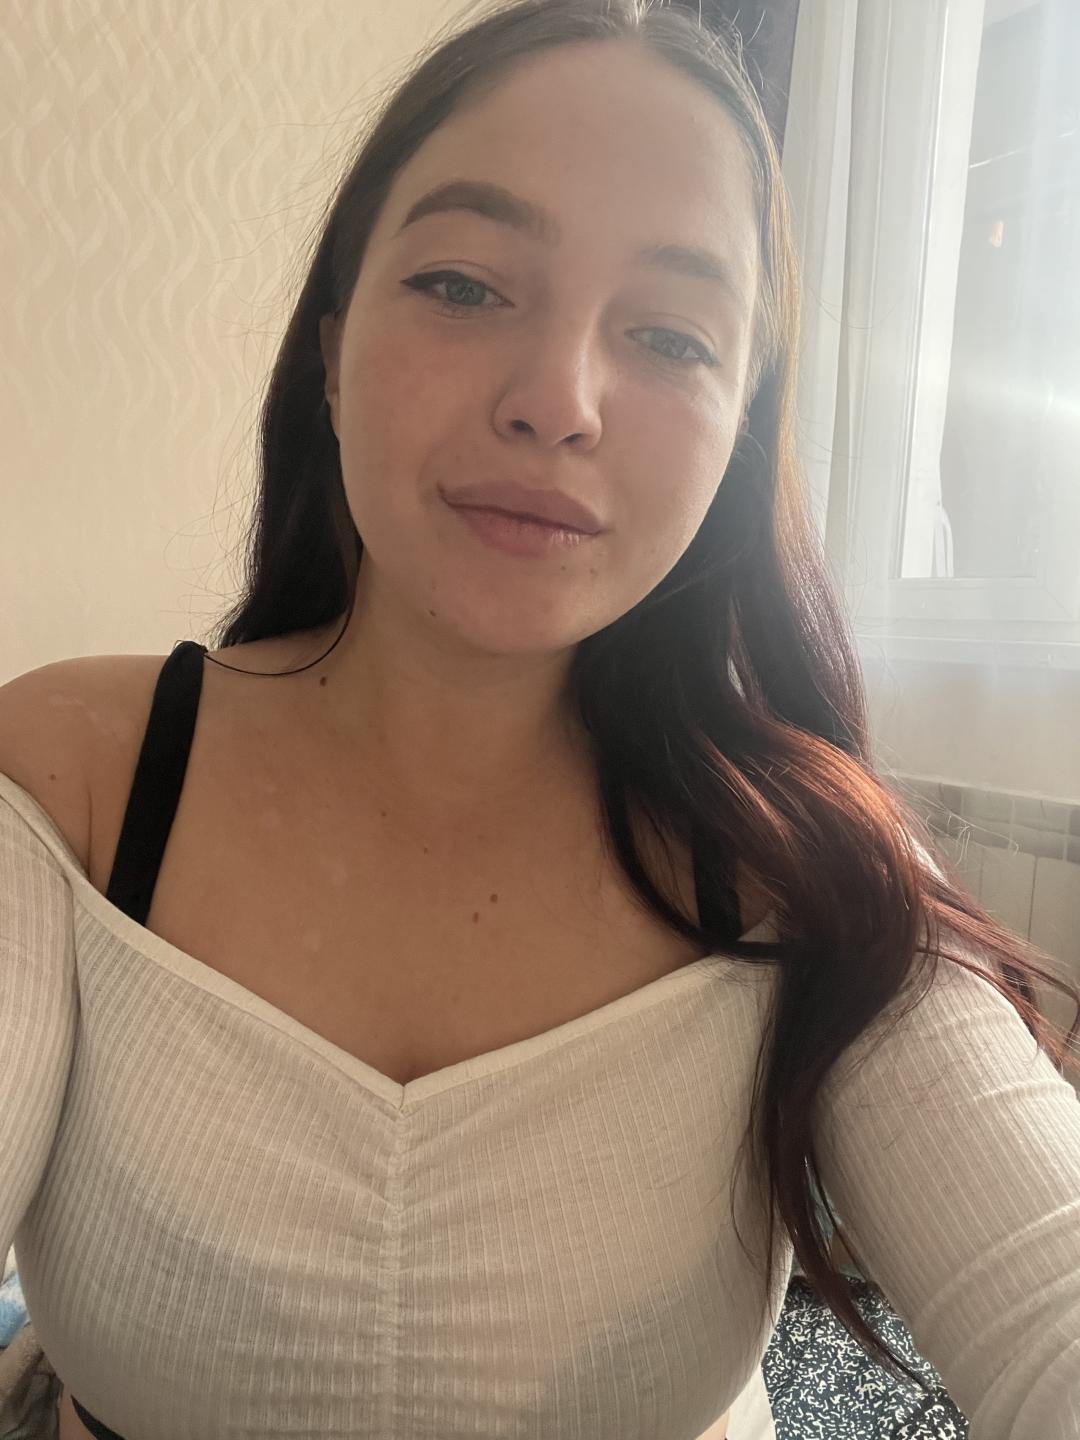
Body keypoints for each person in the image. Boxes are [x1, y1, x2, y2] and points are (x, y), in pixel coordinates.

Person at [2, 1, 1078, 1437]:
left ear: (739, 430)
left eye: (671, 335)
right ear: (331, 350)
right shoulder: (77, 779)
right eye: (463, 284)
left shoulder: (806, 860)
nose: (559, 401)